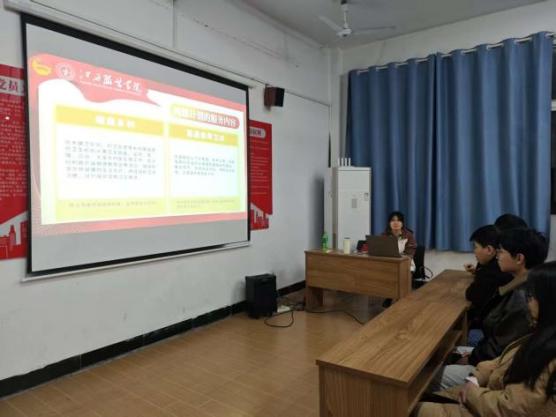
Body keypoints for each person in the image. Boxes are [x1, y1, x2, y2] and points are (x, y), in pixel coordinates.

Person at [413, 261, 556, 417]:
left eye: (532, 296)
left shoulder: (519, 300)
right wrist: (476, 377)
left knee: (417, 390)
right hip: (487, 383)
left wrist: (473, 386)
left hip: (487, 395)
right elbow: (503, 359)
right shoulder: (543, 333)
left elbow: (511, 408)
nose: (529, 301)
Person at [432, 228, 548, 390]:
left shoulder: (524, 299)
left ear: (519, 258)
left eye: (501, 251)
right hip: (493, 355)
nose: (497, 255)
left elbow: (500, 348)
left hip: (499, 369)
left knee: (429, 377)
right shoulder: (524, 283)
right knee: (446, 352)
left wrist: (471, 358)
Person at [464, 225, 513, 345]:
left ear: (489, 250)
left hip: (491, 332)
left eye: (475, 247)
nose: (474, 251)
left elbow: (471, 294)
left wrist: (480, 272)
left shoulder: (491, 271)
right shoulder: (499, 266)